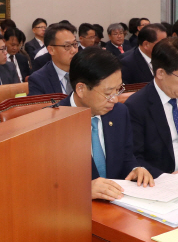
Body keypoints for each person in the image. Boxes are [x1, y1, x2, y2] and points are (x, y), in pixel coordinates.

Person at [59, 48, 153, 200]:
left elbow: (126, 157)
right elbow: (43, 185)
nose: (115, 99)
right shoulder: (51, 124)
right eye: (108, 93)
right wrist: (82, 190)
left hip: (118, 206)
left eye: (118, 90)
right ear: (81, 89)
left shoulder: (119, 113)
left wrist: (136, 169)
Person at [125, 38, 178, 177]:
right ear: (160, 73)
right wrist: (167, 178)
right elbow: (135, 159)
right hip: (164, 180)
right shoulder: (136, 106)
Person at [28, 23, 78, 96]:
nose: (73, 50)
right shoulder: (38, 79)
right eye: (67, 46)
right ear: (51, 50)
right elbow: (41, 107)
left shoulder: (86, 73)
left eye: (75, 44)